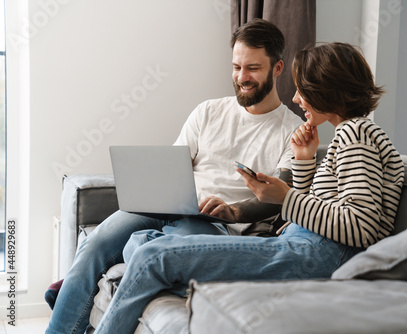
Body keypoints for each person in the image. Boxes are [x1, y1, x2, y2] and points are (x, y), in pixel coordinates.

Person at [92, 42, 405, 334]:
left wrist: (286, 197)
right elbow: (327, 209)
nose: (296, 99)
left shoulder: (357, 134)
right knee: (141, 241)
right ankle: (203, 286)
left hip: (310, 256)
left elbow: (360, 227)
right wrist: (305, 160)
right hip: (300, 247)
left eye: (302, 90)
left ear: (326, 91)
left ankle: (193, 284)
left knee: (151, 257)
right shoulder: (351, 134)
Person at [45, 18, 303, 334]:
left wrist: (233, 210)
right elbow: (172, 166)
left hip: (215, 221)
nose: (241, 77)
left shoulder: (292, 132)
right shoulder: (208, 112)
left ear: (277, 69)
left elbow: (279, 198)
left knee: (149, 251)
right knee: (96, 244)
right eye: (236, 67)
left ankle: (124, 258)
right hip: (166, 206)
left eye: (252, 68)